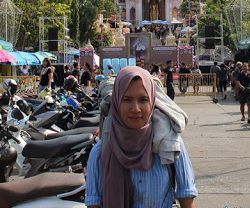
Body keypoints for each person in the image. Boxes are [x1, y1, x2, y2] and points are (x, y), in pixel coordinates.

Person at [85, 66, 198, 207]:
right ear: (117, 102)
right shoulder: (100, 153)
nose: (136, 108)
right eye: (127, 99)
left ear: (152, 102)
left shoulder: (170, 145)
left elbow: (187, 200)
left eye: (143, 100)